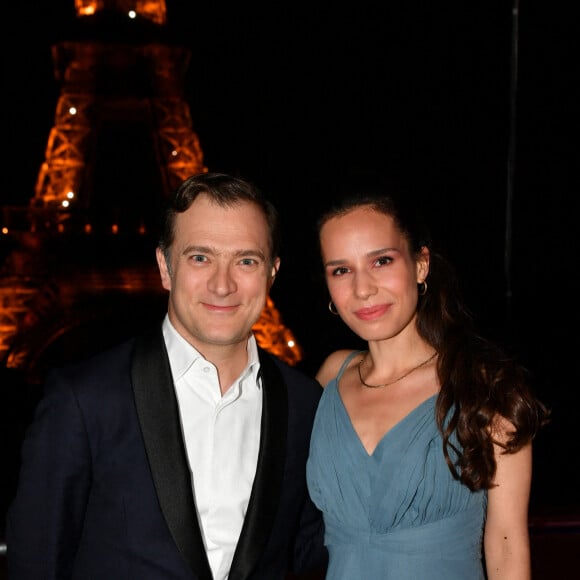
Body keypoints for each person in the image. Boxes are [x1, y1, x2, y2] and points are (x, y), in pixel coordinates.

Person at [6, 172, 327, 580]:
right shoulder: (84, 399)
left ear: (272, 272)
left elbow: (305, 551)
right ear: (164, 265)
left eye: (246, 260)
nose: (223, 284)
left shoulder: (304, 404)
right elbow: (36, 561)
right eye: (200, 257)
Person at [305, 180, 549, 579]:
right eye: (342, 269)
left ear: (420, 264)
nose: (362, 288)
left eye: (381, 261)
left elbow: (506, 547)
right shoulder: (331, 376)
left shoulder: (483, 387)